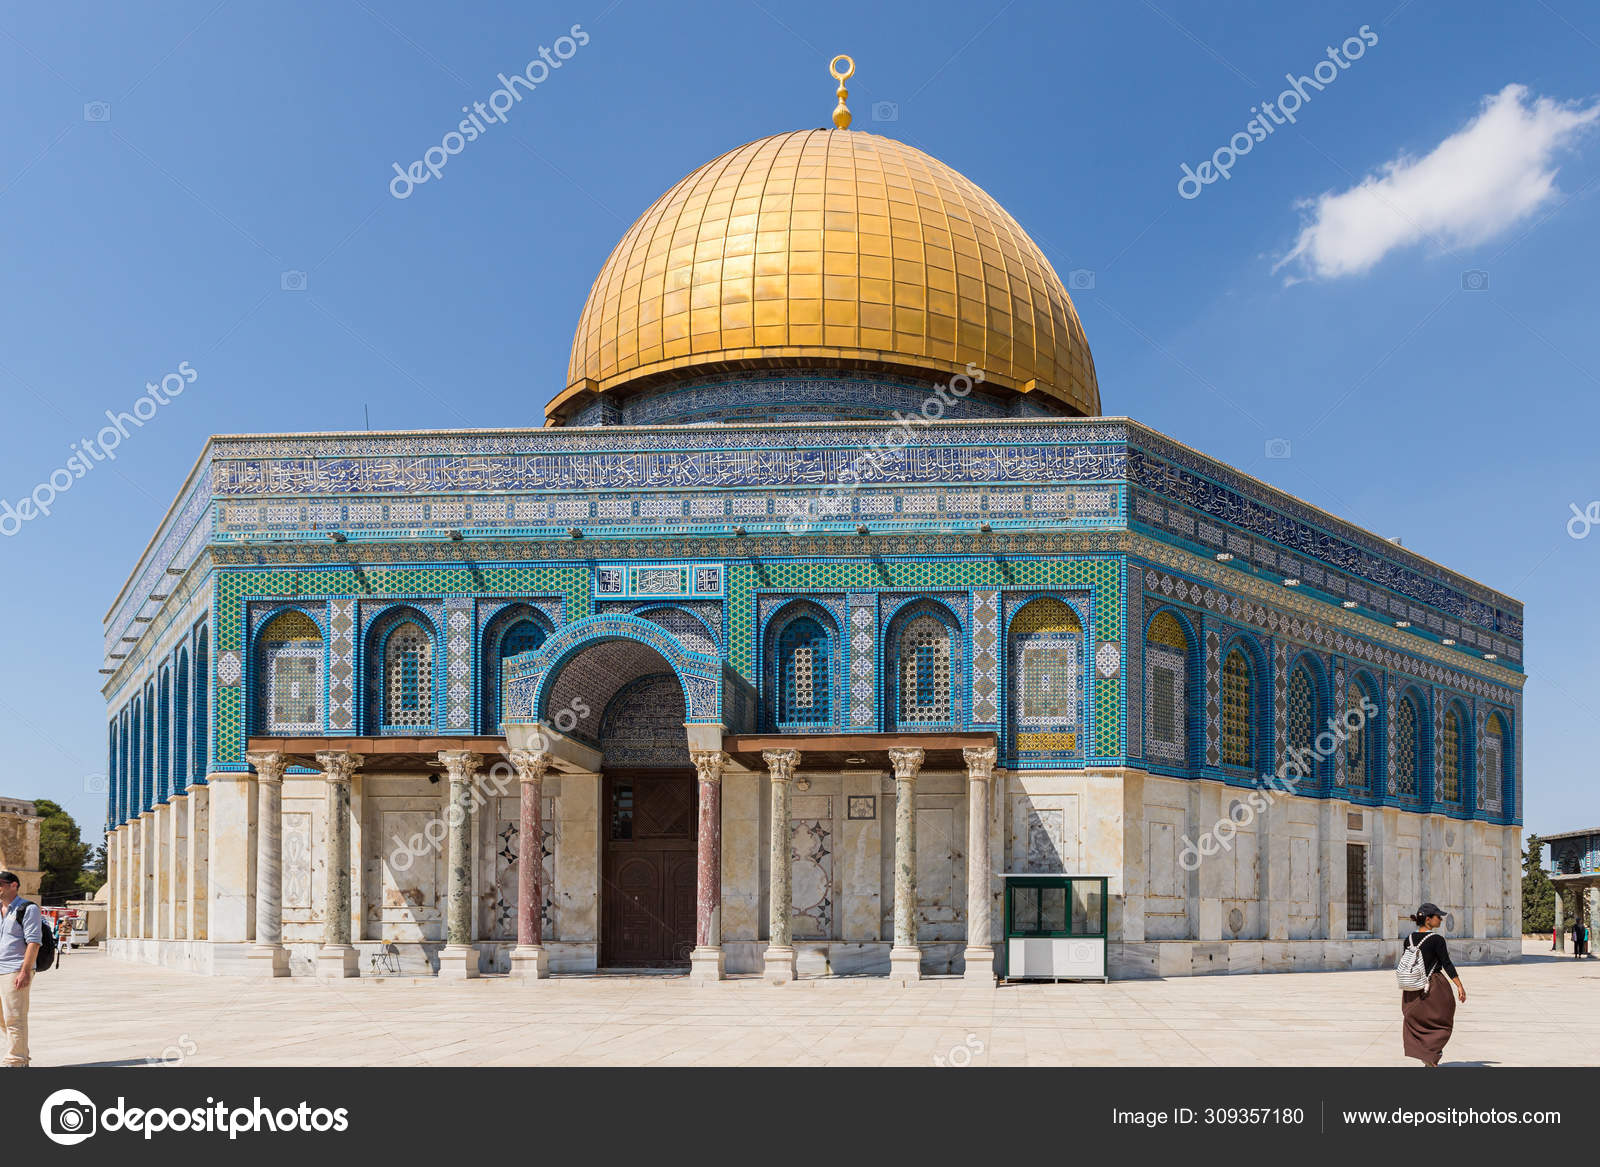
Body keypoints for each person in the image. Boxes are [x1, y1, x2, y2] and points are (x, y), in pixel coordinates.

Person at [1400, 902, 1465, 1068]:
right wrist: (1459, 985)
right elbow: (1447, 964)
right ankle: (1432, 1054)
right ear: (1428, 919)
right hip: (1434, 986)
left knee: (1417, 1021)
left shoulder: (1408, 939)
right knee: (1442, 1020)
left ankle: (1426, 1054)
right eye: (1438, 917)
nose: (1441, 920)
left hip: (1412, 987)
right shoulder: (1437, 939)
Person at [0, 871, 41, 1068]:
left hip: (16, 968)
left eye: (0, 883)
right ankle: (21, 1054)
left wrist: (25, 971)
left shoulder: (28, 908)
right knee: (3, 1018)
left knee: (15, 1016)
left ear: (14, 885)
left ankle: (15, 1061)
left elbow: (34, 941)